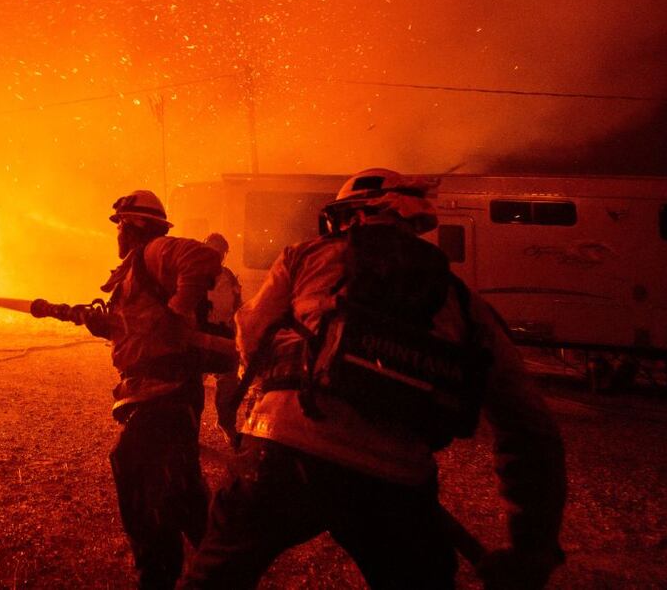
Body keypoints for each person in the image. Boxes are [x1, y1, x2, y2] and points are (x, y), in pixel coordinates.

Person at [182, 169, 567, 589]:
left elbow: (252, 335)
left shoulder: (305, 257)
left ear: (350, 216)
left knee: (213, 578)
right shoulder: (461, 300)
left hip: (282, 452)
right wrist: (532, 546)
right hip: (394, 480)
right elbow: (529, 427)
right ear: (413, 223)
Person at [84, 189, 224, 589]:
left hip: (167, 390)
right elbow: (141, 330)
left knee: (132, 464)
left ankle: (158, 575)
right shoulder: (134, 272)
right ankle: (221, 563)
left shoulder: (155, 251)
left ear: (135, 226)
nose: (117, 236)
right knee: (181, 485)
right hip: (160, 388)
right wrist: (103, 325)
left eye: (121, 227)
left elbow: (203, 258)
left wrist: (177, 314)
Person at [199, 232, 244, 444]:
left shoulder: (229, 278)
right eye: (212, 250)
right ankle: (188, 430)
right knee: (190, 386)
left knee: (228, 384)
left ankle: (226, 423)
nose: (215, 256)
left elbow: (238, 309)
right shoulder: (191, 274)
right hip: (198, 338)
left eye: (220, 252)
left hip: (222, 338)